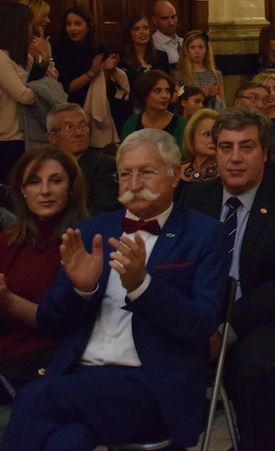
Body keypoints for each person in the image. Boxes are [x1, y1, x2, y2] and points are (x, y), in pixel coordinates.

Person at [1, 129, 229, 450]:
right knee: (67, 441)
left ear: (175, 174)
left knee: (36, 397)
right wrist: (81, 289)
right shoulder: (91, 230)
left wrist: (142, 287)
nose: (134, 184)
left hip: (151, 383)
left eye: (146, 172)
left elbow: (201, 324)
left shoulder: (204, 234)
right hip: (79, 374)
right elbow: (50, 320)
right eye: (125, 174)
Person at [180, 108, 275, 451]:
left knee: (254, 366)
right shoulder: (195, 198)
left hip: (273, 316)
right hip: (205, 312)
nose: (235, 158)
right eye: (225, 147)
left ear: (265, 152)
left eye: (246, 147)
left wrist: (225, 327)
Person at [0, 147, 88, 386]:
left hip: (46, 363)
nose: (45, 191)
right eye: (34, 182)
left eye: (56, 181)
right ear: (22, 189)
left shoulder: (84, 240)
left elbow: (65, 323)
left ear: (71, 187)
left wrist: (9, 302)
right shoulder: (8, 239)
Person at [0, 3, 49, 182]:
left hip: (30, 133)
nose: (31, 29)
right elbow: (24, 96)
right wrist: (44, 94)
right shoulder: (1, 58)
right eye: (29, 24)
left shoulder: (22, 56)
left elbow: (53, 82)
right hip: (9, 136)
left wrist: (45, 57)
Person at [45, 104, 119, 216]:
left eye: (82, 125)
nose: (78, 133)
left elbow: (103, 210)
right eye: (68, 127)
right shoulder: (42, 166)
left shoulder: (105, 166)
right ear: (52, 137)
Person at [120, 71, 184, 147]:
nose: (165, 96)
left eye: (167, 91)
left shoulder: (181, 125)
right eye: (157, 91)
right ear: (144, 94)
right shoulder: (131, 123)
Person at [173, 31, 226, 112]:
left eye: (201, 47)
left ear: (206, 50)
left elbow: (223, 103)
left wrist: (213, 97)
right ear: (186, 50)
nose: (197, 51)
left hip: (211, 113)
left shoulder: (216, 74)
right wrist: (201, 95)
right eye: (193, 47)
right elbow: (178, 101)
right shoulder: (180, 74)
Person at [177, 108, 219, 202]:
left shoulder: (225, 175)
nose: (213, 140)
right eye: (207, 134)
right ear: (192, 138)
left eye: (216, 135)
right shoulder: (176, 172)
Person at [119, 14, 171, 89]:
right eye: (137, 29)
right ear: (129, 33)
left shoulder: (161, 56)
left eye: (145, 28)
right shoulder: (121, 58)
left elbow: (168, 83)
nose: (142, 32)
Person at [150, 0, 182, 68]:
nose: (171, 23)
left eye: (173, 17)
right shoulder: (152, 45)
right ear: (154, 20)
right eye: (165, 18)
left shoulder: (184, 42)